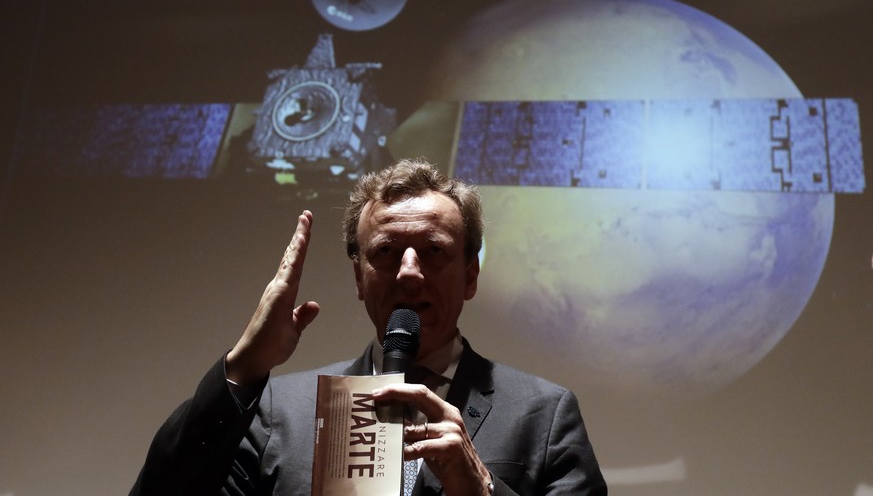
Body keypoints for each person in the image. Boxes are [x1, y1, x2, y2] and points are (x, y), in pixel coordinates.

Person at [131, 158, 607, 495]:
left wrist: (480, 490)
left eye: (434, 250)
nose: (408, 271)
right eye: (385, 252)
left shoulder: (544, 414)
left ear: (470, 275)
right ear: (359, 277)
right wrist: (246, 366)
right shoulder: (281, 410)